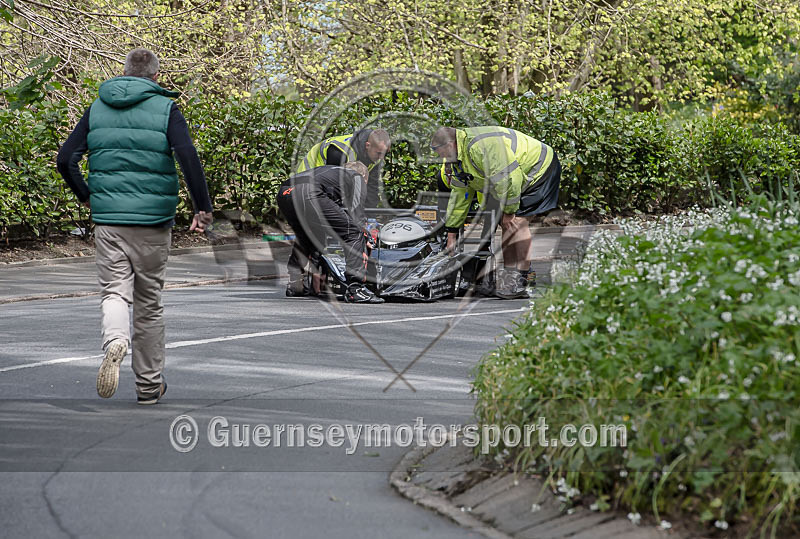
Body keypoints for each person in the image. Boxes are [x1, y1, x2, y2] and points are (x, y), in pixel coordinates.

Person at [56, 48, 213, 404]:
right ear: (156, 77)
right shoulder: (166, 108)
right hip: (154, 222)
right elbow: (187, 155)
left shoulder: (98, 107)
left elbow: (66, 159)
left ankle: (115, 340)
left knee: (114, 292)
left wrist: (86, 195)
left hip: (109, 220)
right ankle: (148, 386)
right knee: (149, 302)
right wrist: (202, 208)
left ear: (124, 73)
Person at [430, 126, 561, 299]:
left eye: (439, 151)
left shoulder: (480, 148)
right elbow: (461, 196)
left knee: (517, 221)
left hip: (539, 167)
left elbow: (510, 178)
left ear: (451, 144)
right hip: (511, 180)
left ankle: (520, 279)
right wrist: (452, 233)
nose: (440, 157)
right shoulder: (456, 162)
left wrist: (509, 212)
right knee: (504, 221)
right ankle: (510, 277)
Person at [277, 162, 383, 304]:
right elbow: (356, 212)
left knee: (308, 236)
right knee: (353, 233)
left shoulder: (330, 173)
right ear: (364, 177)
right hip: (309, 191)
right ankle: (356, 289)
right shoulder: (357, 176)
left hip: (285, 192)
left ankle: (295, 284)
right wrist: (365, 235)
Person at [296, 129, 391, 208]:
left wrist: (369, 219)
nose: (381, 158)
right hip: (304, 185)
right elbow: (333, 190)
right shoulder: (339, 151)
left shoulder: (376, 157)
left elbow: (371, 190)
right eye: (379, 153)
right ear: (367, 145)